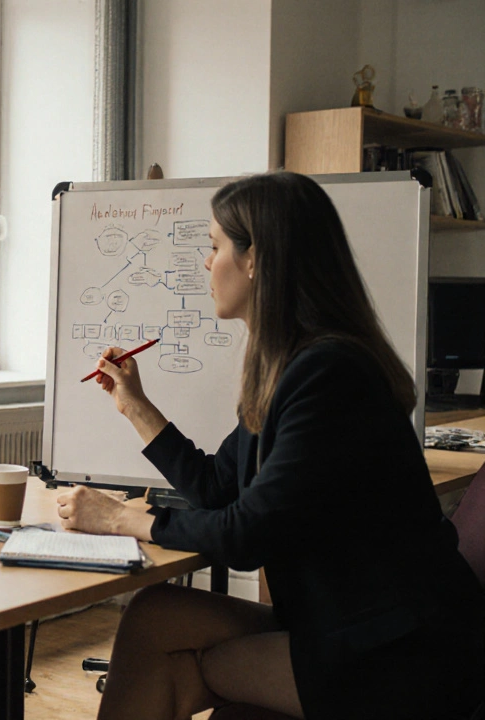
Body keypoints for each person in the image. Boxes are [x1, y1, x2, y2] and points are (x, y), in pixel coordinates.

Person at [56, 172, 485, 720]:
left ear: (256, 257)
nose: (207, 264)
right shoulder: (290, 367)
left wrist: (120, 519)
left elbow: (247, 535)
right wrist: (136, 404)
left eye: (214, 248)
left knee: (181, 663)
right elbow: (216, 488)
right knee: (155, 614)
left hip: (402, 653)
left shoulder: (330, 374)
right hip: (345, 623)